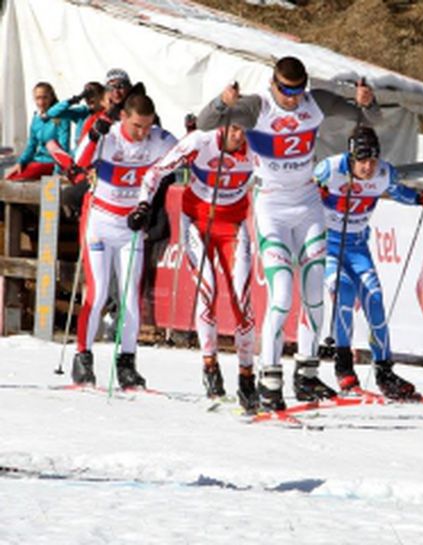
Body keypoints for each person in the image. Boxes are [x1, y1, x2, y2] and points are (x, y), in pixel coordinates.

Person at [195, 56, 381, 411]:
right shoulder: (256, 106)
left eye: (298, 90)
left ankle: (307, 375)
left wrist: (367, 102)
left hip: (308, 202)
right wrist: (223, 101)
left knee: (315, 292)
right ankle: (269, 379)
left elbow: (370, 120)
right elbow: (206, 122)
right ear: (273, 84)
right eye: (286, 90)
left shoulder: (317, 102)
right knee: (281, 293)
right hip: (272, 206)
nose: (293, 98)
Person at [138, 121, 258, 408]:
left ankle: (246, 376)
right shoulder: (199, 142)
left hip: (233, 227)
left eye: (243, 131)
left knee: (242, 301)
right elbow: (155, 172)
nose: (238, 136)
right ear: (223, 128)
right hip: (197, 225)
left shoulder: (256, 149)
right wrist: (143, 205)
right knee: (208, 293)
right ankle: (210, 367)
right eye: (233, 130)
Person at [313, 126, 423, 401]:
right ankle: (344, 366)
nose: (368, 167)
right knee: (343, 292)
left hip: (357, 246)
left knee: (375, 299)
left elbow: (398, 191)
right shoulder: (329, 170)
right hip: (328, 246)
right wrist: (315, 196)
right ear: (351, 156)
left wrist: (419, 198)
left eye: (373, 160)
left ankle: (384, 371)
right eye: (362, 160)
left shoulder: (384, 172)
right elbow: (302, 189)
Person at [70, 94, 177, 389]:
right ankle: (83, 358)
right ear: (123, 119)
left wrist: (194, 131)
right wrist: (93, 136)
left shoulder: (159, 139)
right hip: (100, 223)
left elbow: (187, 156)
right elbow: (77, 164)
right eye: (136, 126)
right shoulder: (111, 136)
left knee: (130, 297)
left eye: (147, 126)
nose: (142, 133)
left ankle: (127, 363)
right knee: (100, 291)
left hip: (131, 227)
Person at [5, 82, 69, 181]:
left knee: (17, 180)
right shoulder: (37, 118)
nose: (41, 102)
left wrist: (57, 171)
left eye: (44, 97)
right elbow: (31, 145)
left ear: (51, 97)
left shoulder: (61, 117)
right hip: (38, 160)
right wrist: (21, 162)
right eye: (38, 98)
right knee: (10, 177)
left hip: (51, 162)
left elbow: (63, 147)